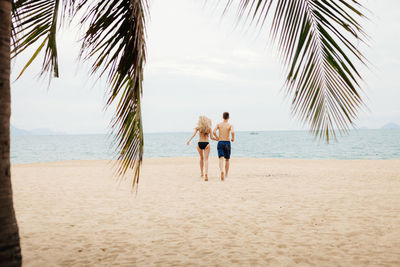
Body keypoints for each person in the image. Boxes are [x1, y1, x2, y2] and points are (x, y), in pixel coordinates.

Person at [187, 116, 216, 181]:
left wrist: (189, 141)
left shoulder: (198, 128)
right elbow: (211, 137)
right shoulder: (209, 128)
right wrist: (217, 139)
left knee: (201, 158)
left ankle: (202, 173)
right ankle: (206, 173)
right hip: (206, 144)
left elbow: (193, 135)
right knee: (206, 160)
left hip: (199, 143)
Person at [213, 112, 235, 181]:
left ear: (223, 117)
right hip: (227, 142)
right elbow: (232, 132)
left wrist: (217, 137)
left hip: (220, 142)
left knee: (221, 158)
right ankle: (226, 174)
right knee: (227, 159)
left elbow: (214, 131)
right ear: (228, 117)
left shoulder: (219, 124)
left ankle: (221, 170)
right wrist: (232, 138)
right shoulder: (230, 125)